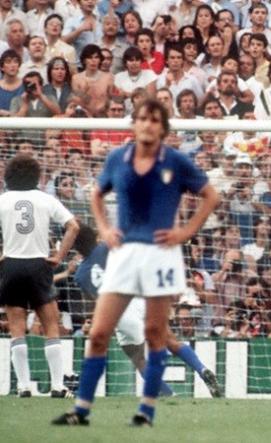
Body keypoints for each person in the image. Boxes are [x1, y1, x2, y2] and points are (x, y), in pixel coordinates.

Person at [52, 98, 219, 427]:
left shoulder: (176, 161)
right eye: (142, 118)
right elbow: (96, 194)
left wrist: (185, 232)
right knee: (99, 333)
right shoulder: (118, 158)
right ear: (134, 124)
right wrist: (104, 228)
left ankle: (147, 411)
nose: (147, 124)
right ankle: (80, 410)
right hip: (125, 255)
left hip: (160, 255)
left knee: (156, 333)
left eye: (154, 119)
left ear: (163, 128)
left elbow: (211, 196)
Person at [71, 224, 221, 398]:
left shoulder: (80, 275)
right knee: (171, 341)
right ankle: (202, 369)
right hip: (139, 297)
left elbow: (98, 303)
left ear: (76, 247)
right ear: (94, 236)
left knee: (139, 359)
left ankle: (169, 395)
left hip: (120, 312)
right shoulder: (108, 246)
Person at [0, 154, 80, 398]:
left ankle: (23, 386)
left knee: (17, 328)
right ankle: (57, 386)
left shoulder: (3, 200)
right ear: (35, 175)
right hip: (39, 264)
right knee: (51, 326)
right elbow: (74, 226)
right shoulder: (45, 199)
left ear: (9, 176)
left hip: (11, 265)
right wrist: (60, 256)